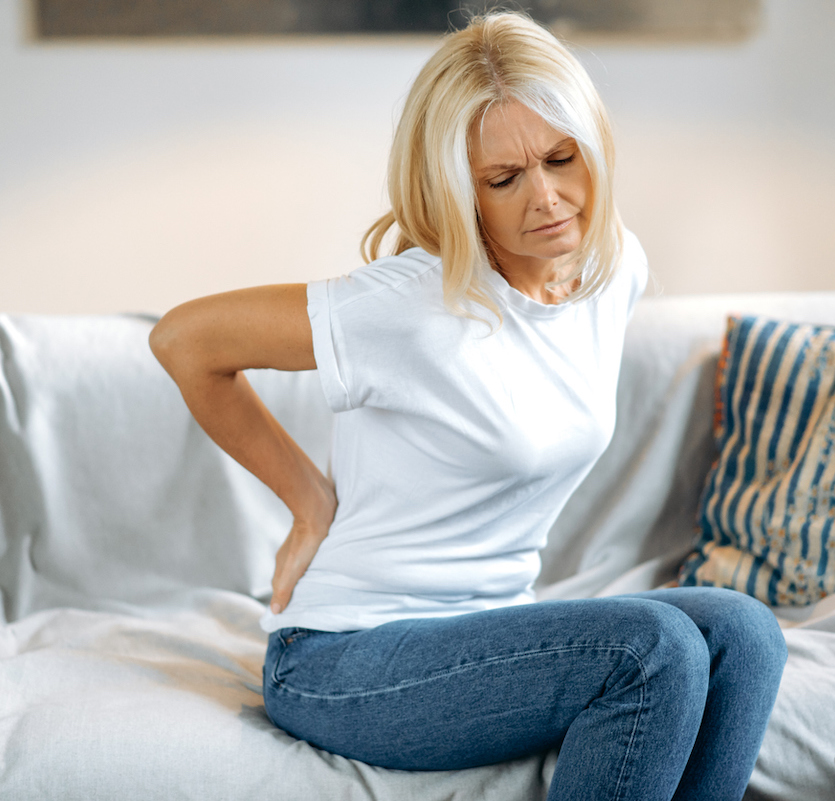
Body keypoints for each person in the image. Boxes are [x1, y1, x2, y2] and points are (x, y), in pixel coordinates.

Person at [149, 11, 786, 801]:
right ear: (459, 189)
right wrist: (310, 502)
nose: (548, 198)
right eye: (504, 179)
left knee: (744, 634)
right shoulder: (412, 302)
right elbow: (185, 340)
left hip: (487, 632)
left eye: (561, 158)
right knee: (650, 649)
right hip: (344, 657)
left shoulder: (610, 269)